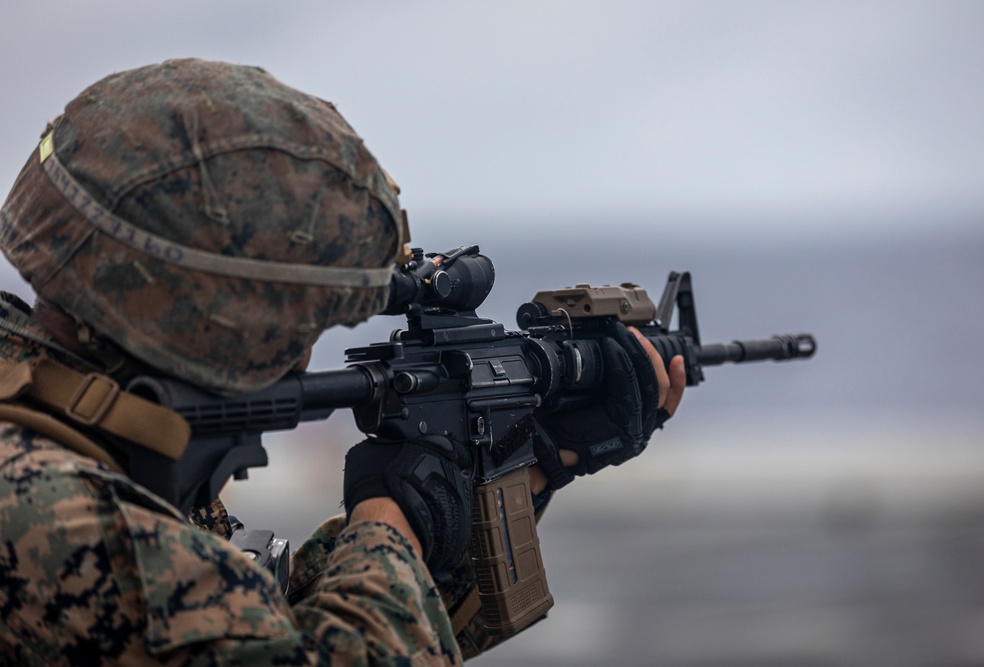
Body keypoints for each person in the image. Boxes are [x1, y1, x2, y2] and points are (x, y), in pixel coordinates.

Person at [0, 58, 684, 665]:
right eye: (296, 322)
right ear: (209, 321)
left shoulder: (62, 432)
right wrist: (394, 516)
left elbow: (276, 626)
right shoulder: (46, 511)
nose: (301, 356)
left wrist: (533, 461)